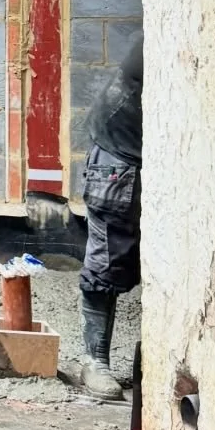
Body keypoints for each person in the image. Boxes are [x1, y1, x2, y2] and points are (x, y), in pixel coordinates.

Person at [72, 32, 143, 401]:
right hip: (120, 157)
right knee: (109, 258)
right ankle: (93, 360)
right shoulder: (165, 37)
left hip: (150, 153)